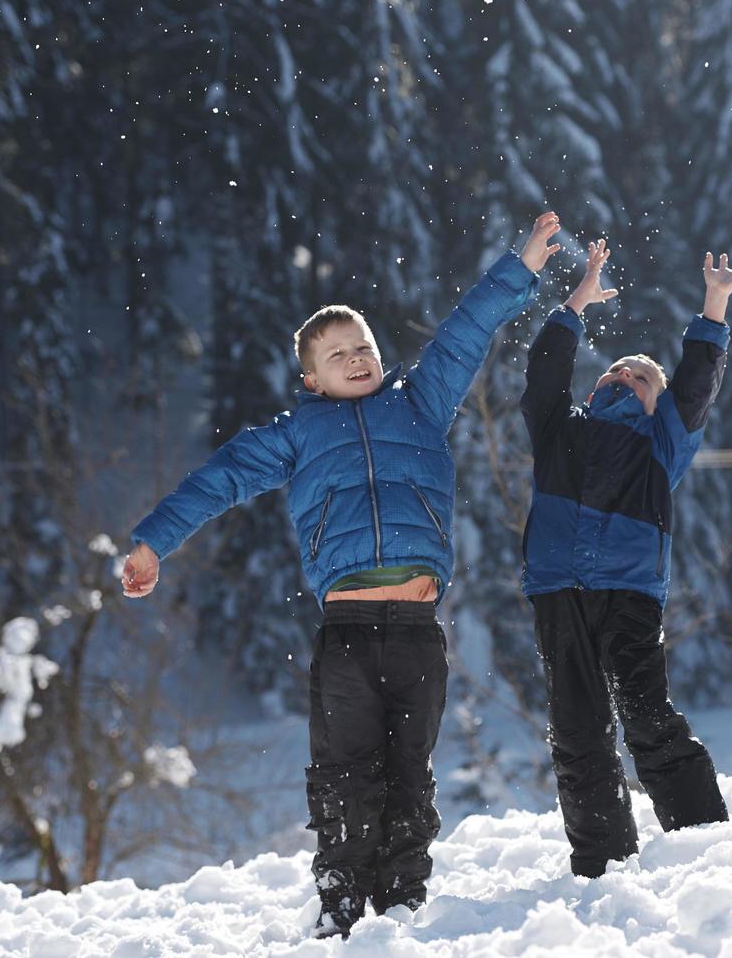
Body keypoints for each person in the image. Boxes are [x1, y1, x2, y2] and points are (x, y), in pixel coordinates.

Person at [121, 212, 563, 937]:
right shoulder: (296, 435)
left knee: (409, 783)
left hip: (418, 633)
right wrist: (151, 545)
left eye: (363, 346)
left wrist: (519, 266)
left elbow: (464, 331)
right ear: (309, 377)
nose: (356, 359)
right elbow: (217, 481)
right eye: (337, 354)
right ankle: (341, 913)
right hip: (349, 636)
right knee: (344, 779)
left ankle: (401, 910)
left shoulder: (420, 403)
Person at [519, 238, 732, 877]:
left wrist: (714, 304)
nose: (628, 376)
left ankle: (704, 843)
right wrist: (575, 300)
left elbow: (696, 383)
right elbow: (544, 371)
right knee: (576, 731)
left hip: (628, 592)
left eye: (643, 376)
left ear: (658, 400)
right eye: (619, 370)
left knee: (646, 715)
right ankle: (603, 865)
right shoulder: (558, 431)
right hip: (557, 592)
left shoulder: (664, 442)